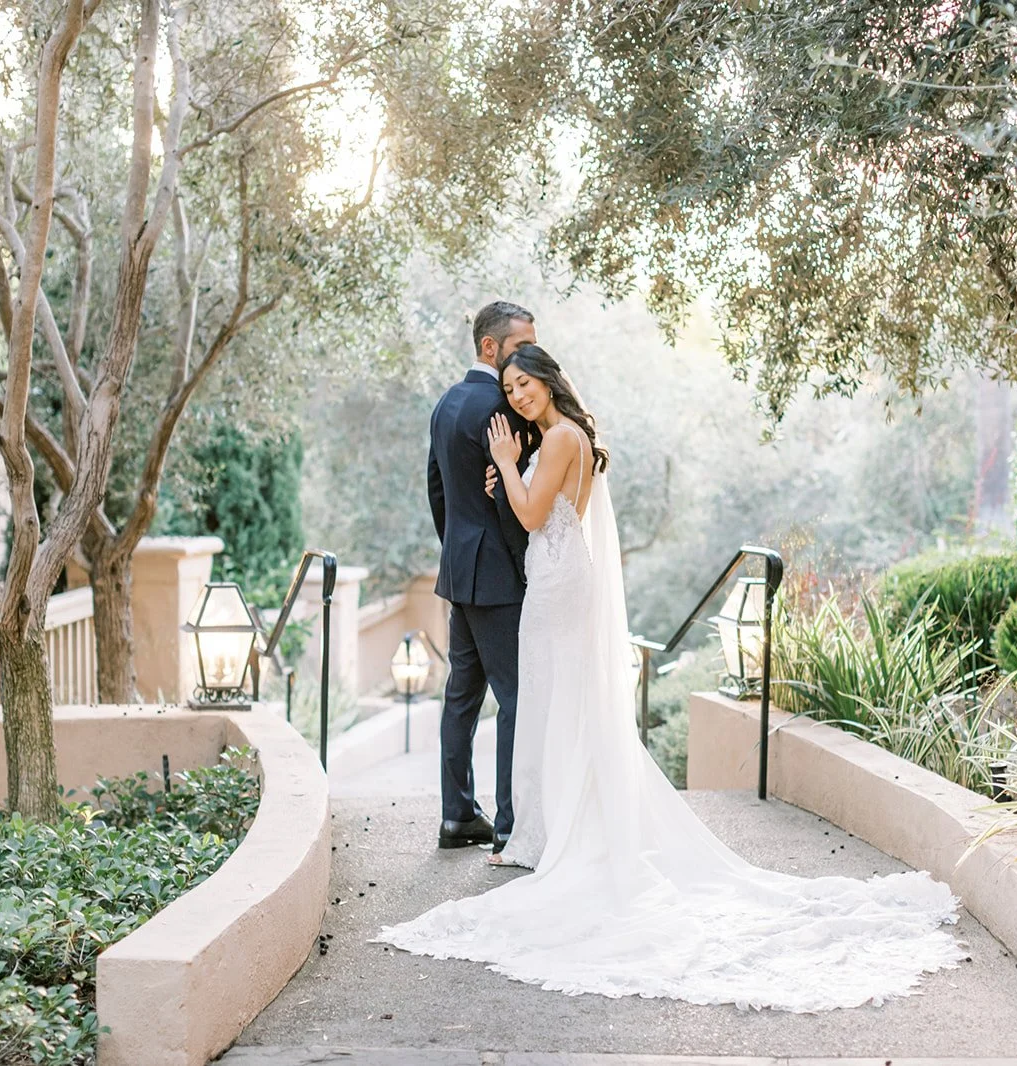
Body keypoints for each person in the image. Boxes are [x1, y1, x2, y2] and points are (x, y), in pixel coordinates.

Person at [380, 343, 966, 1014]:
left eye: (524, 385)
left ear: (547, 382)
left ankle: (556, 833)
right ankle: (545, 832)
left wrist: (510, 470)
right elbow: (534, 508)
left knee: (554, 702)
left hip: (556, 584)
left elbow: (536, 516)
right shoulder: (564, 438)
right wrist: (512, 479)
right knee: (552, 703)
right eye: (509, 389)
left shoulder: (563, 435)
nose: (516, 397)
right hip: (555, 577)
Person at [426, 301, 537, 855]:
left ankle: (456, 816)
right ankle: (510, 822)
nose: (530, 359)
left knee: (461, 697)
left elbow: (438, 492)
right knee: (514, 697)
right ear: (491, 348)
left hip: (459, 573)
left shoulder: (447, 403)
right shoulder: (507, 406)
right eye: (520, 347)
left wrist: (457, 551)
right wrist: (523, 562)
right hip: (498, 578)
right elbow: (515, 499)